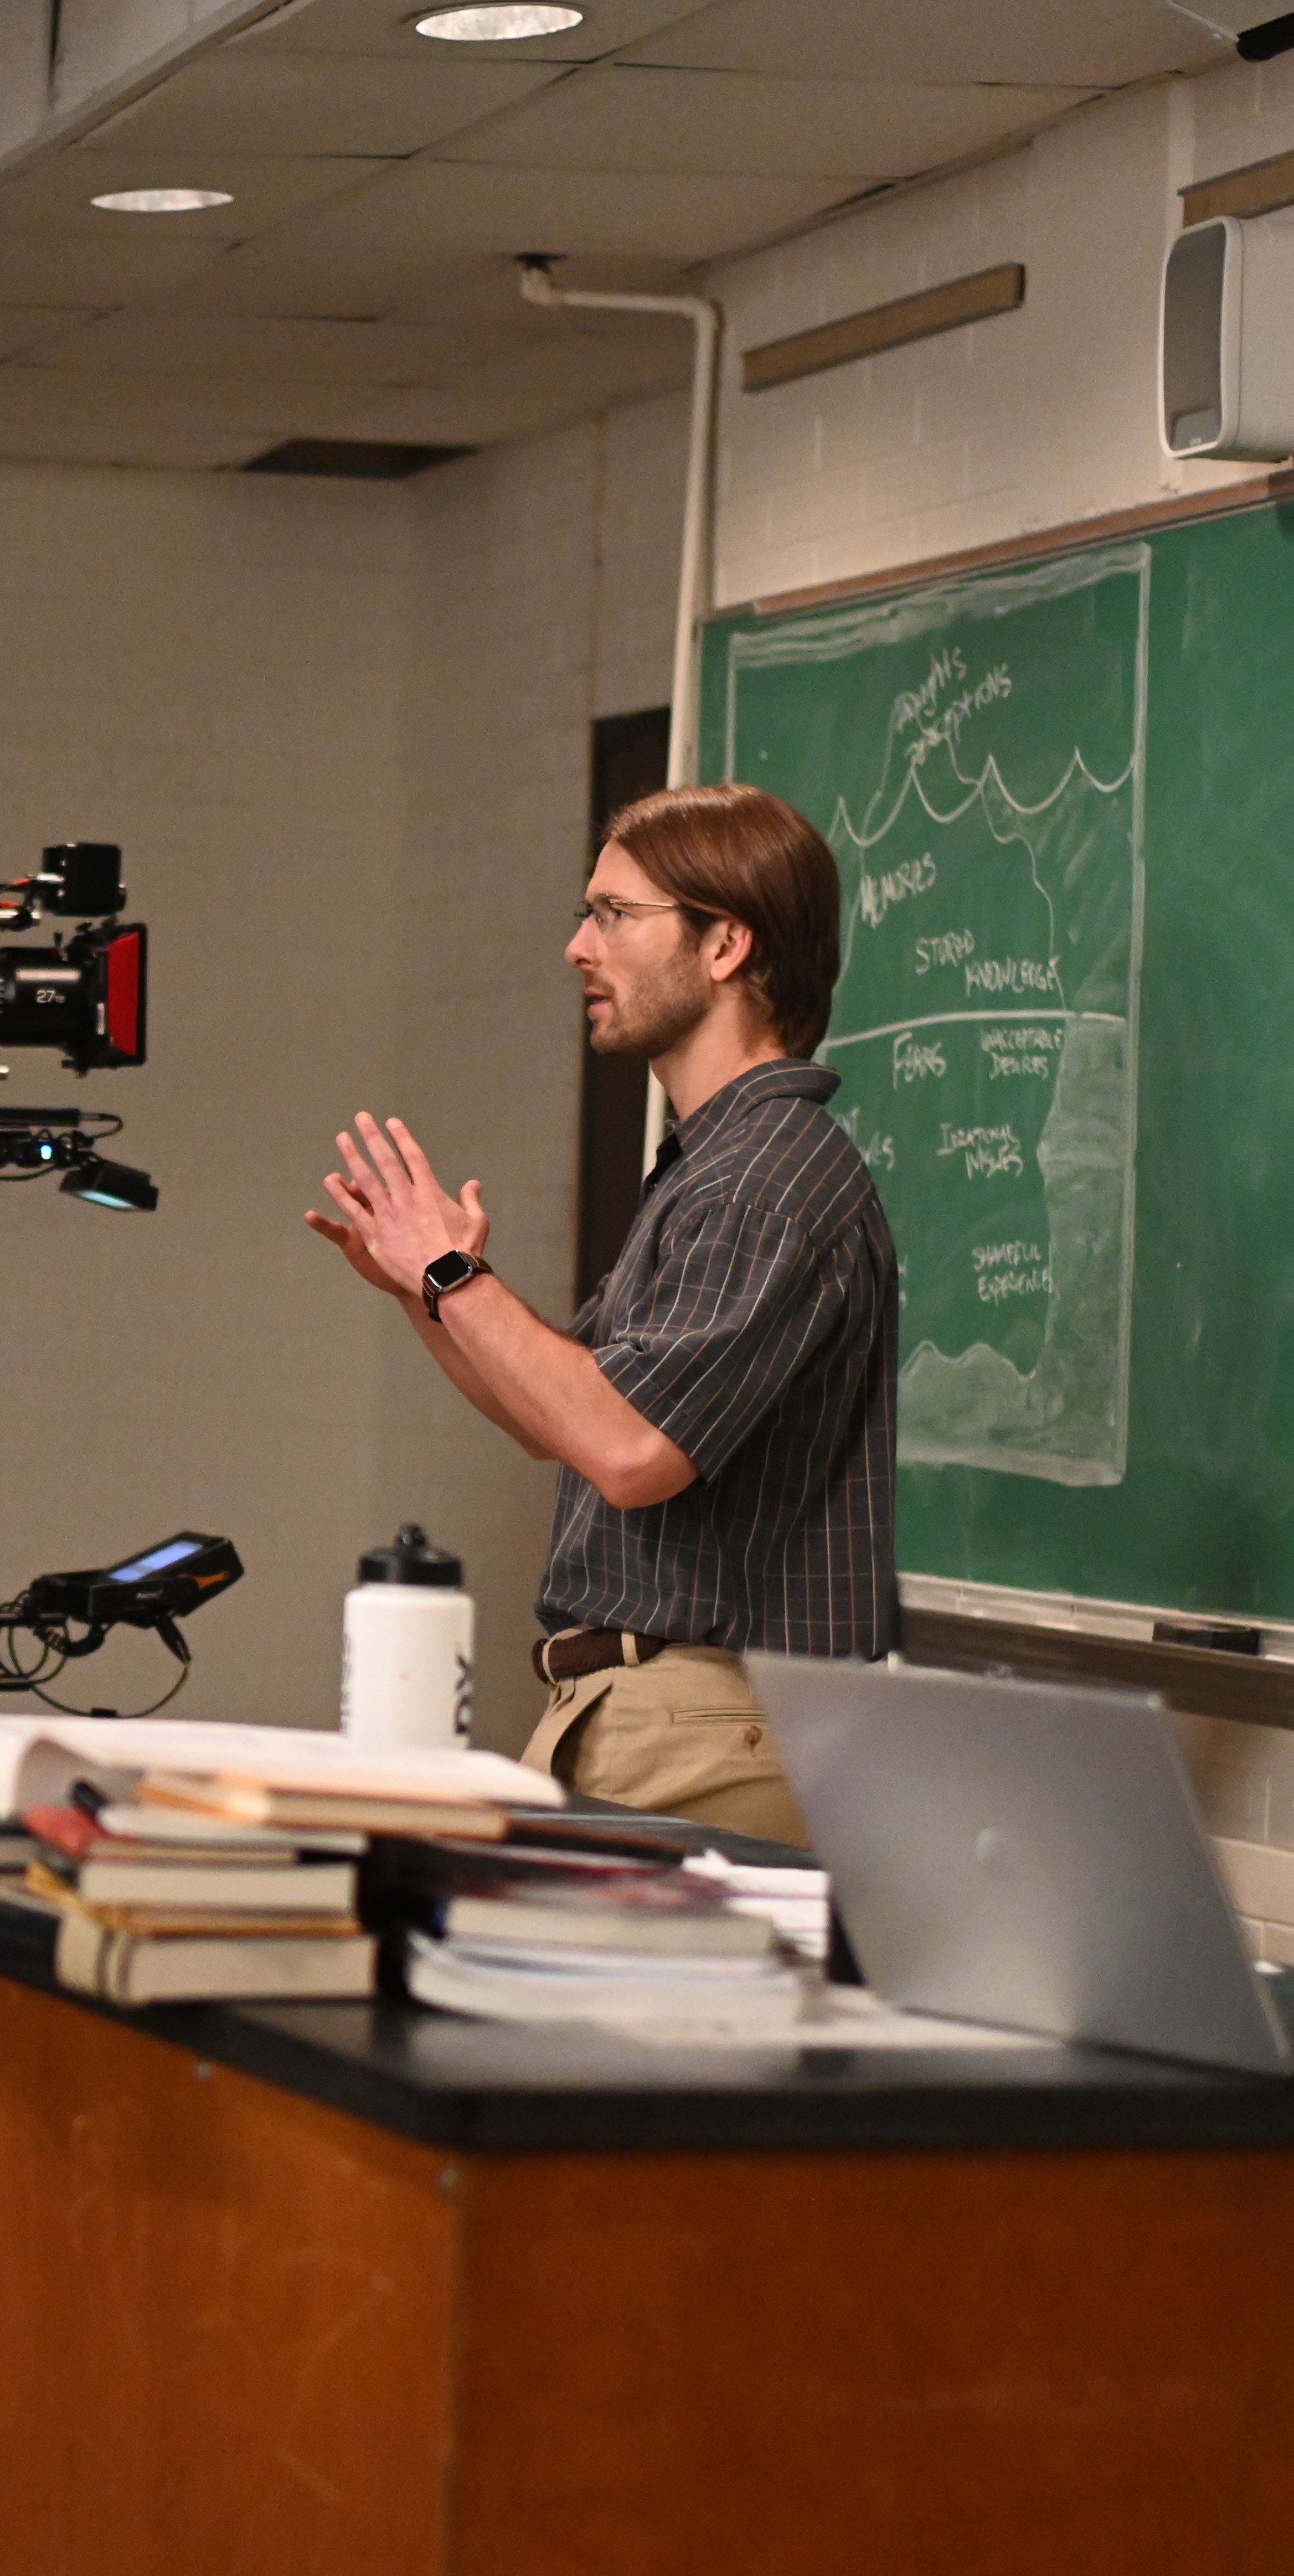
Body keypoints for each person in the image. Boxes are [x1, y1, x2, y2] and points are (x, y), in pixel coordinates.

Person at [307, 782, 896, 1844]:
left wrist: (451, 1272)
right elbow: (559, 1420)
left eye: (615, 916)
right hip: (648, 1712)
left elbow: (628, 1446)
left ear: (724, 945)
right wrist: (425, 1290)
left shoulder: (763, 1176)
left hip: (707, 1730)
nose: (580, 946)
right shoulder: (712, 1164)